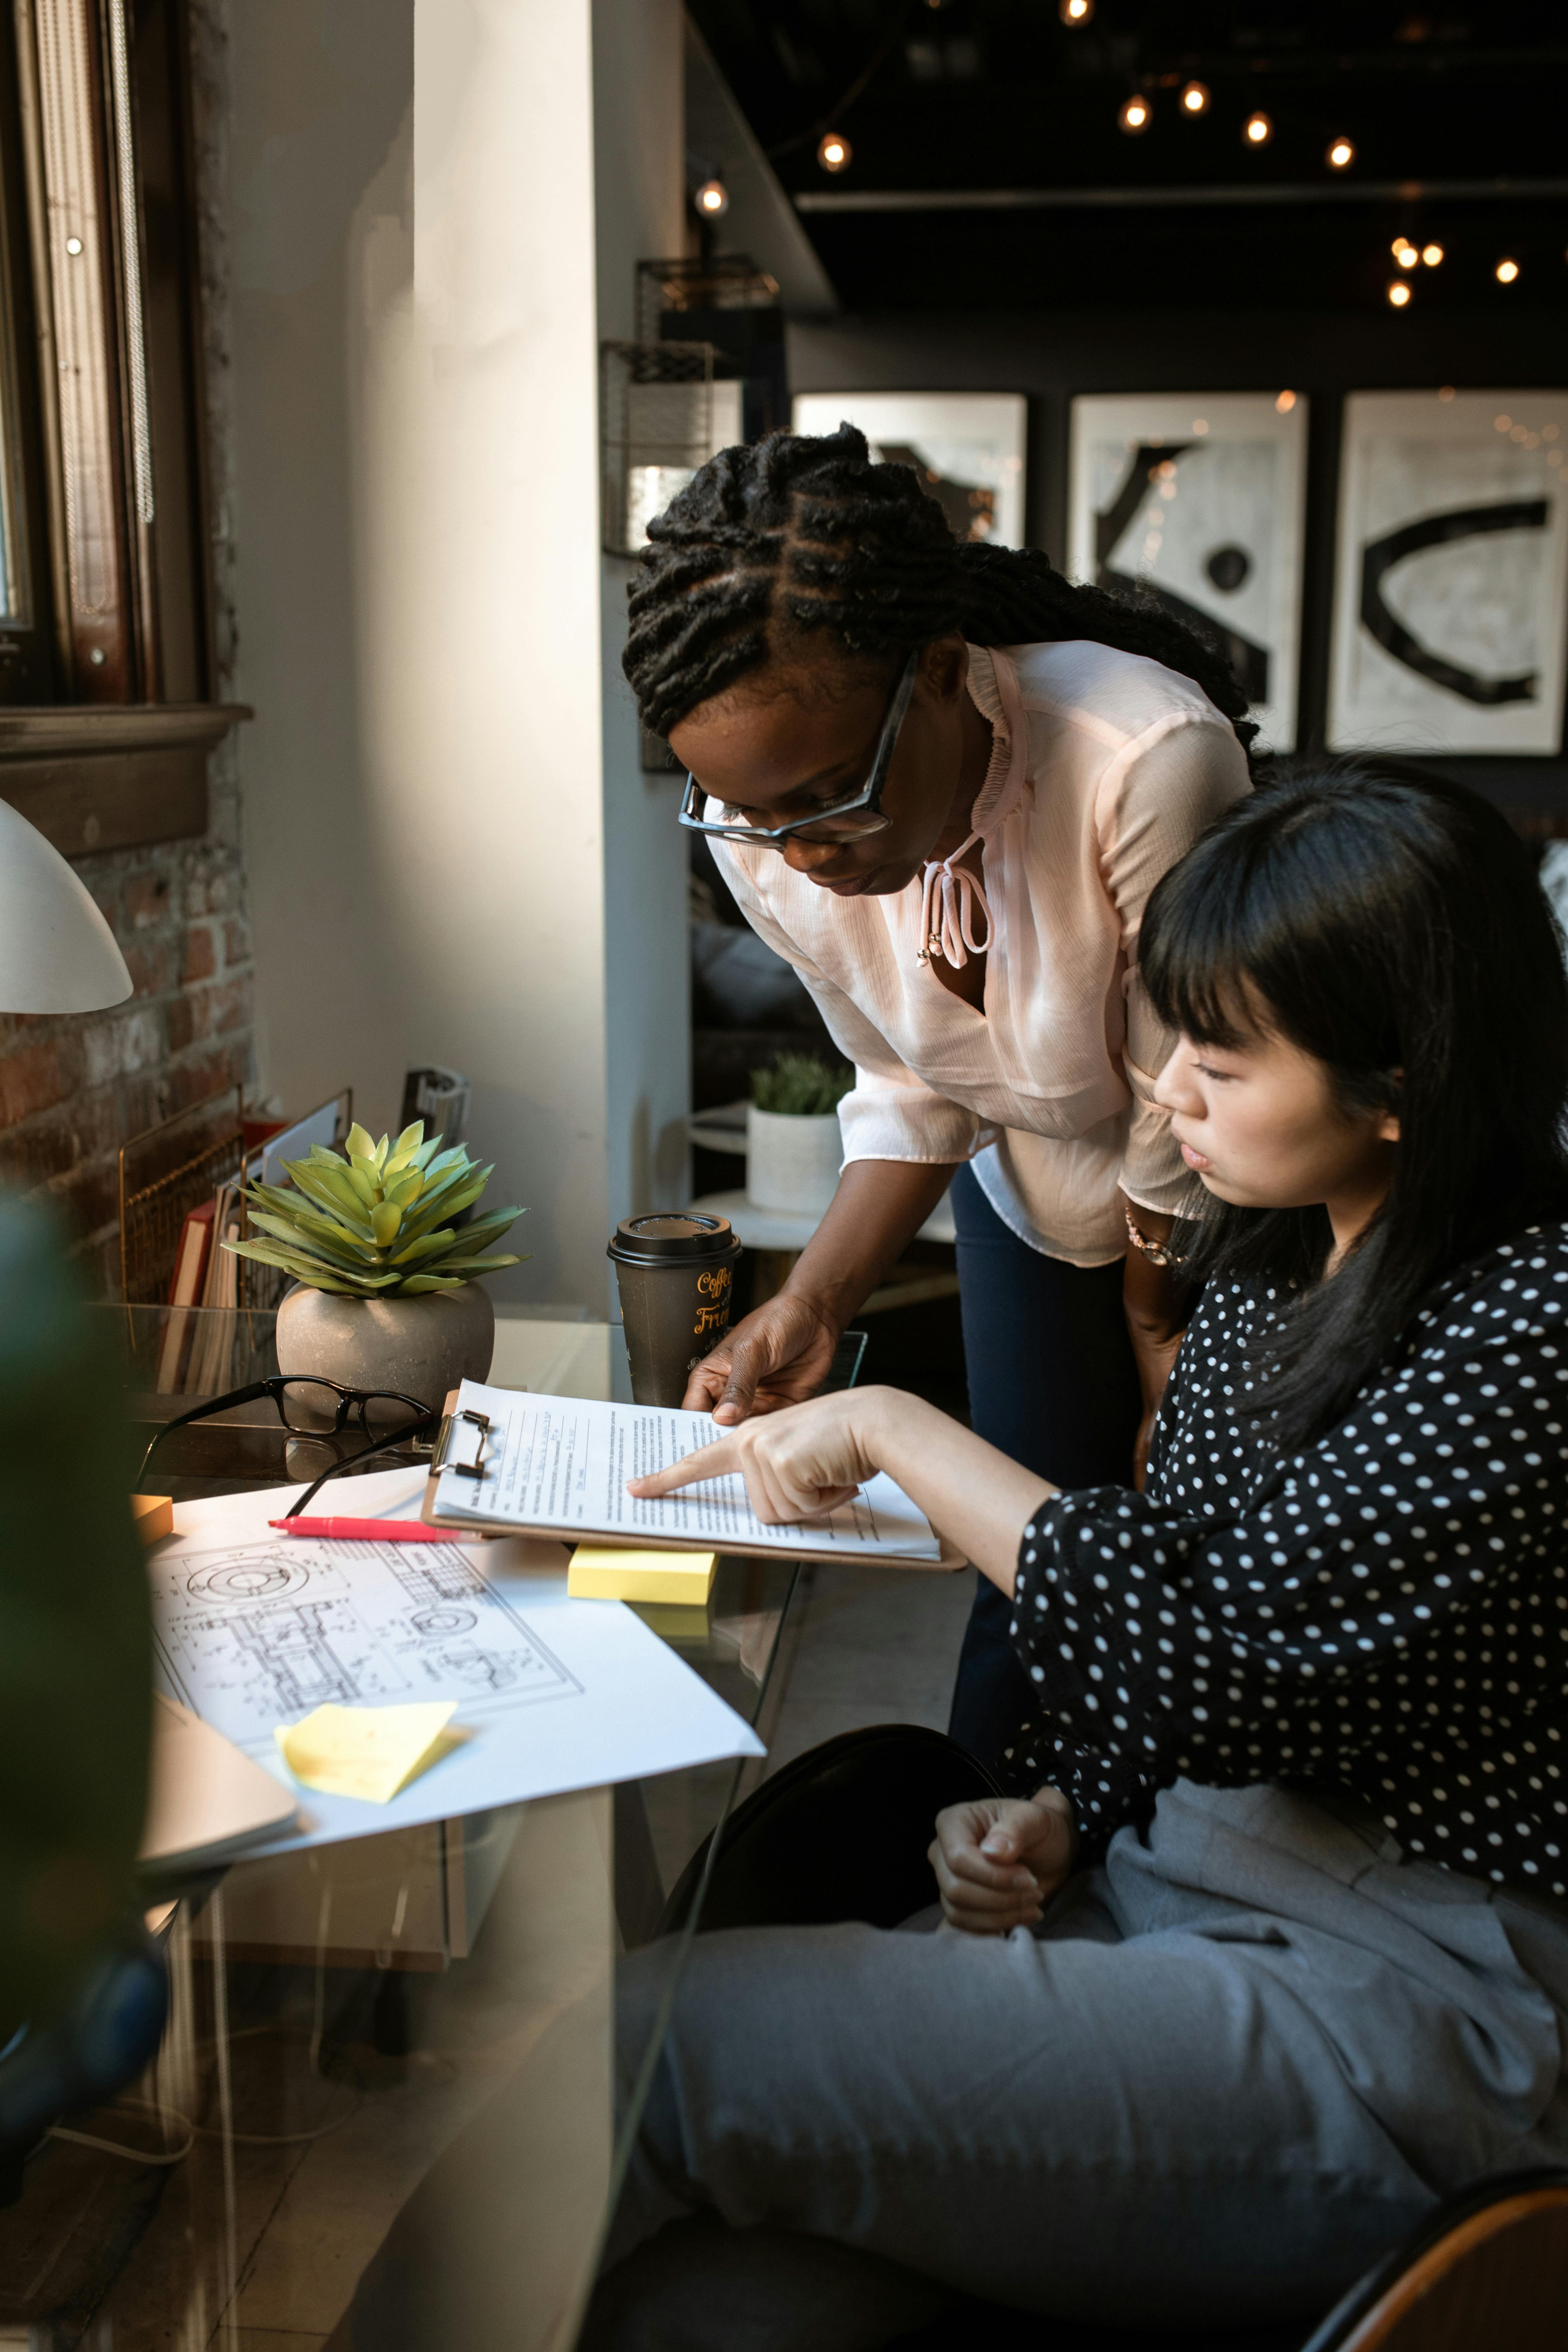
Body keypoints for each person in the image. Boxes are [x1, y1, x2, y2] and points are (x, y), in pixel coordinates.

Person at [581, 767, 1568, 2348]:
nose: (1167, 1088)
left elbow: (1227, 1673)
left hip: (1413, 1998)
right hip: (1176, 1880)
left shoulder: (1532, 1323)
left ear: (1404, 1080)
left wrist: (906, 1430)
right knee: (713, 2294)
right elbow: (1178, 1598)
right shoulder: (1275, 1260)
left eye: (1221, 1057)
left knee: (654, 2039)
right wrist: (1057, 1802)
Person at [623, 423, 1254, 1767]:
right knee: (1018, 1569)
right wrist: (815, 1301)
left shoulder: (1142, 760)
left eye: (827, 798)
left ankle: (1179, 1893)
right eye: (749, 814)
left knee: (1190, 1561)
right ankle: (997, 1872)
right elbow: (912, 1078)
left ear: (936, 672)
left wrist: (1155, 1332)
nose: (796, 851)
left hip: (1230, 1202)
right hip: (1024, 1190)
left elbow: (1184, 1096)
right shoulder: (773, 840)